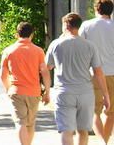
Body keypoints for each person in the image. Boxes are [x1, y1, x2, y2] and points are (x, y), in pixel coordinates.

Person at [46, 13, 110, 145]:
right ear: (78, 26)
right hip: (85, 92)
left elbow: (48, 66)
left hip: (63, 92)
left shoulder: (56, 44)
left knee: (66, 131)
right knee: (83, 130)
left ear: (65, 25)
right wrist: (105, 95)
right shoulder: (90, 46)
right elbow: (98, 72)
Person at [0, 22, 51, 145]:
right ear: (32, 35)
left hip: (16, 91)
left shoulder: (8, 51)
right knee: (30, 123)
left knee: (20, 122)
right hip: (34, 92)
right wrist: (47, 92)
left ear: (17, 34)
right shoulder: (38, 51)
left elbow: (3, 75)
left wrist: (8, 89)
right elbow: (44, 72)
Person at [79, 0, 114, 144]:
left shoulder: (87, 25)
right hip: (112, 72)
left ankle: (101, 142)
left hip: (92, 73)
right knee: (111, 112)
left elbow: (79, 47)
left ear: (96, 9)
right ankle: (105, 141)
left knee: (95, 112)